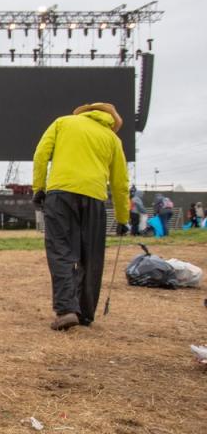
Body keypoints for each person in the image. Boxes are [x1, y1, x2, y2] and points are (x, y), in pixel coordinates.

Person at [32, 102, 129, 331]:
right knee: (91, 256)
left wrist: (39, 188)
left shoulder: (63, 123)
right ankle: (85, 313)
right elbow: (120, 183)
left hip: (60, 194)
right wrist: (123, 218)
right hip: (95, 197)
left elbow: (40, 155)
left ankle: (66, 310)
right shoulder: (113, 139)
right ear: (111, 120)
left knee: (60, 251)